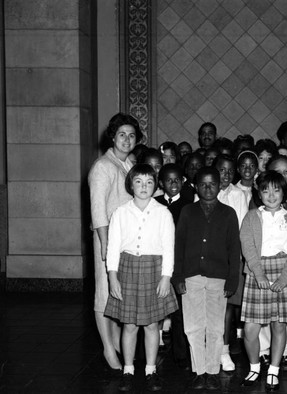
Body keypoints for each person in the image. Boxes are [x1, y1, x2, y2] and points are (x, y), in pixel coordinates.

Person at [104, 163, 178, 392]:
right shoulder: (121, 212)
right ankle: (128, 369)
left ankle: (150, 369)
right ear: (131, 184)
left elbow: (168, 248)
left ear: (155, 185)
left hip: (154, 270)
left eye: (148, 182)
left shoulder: (162, 212)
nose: (144, 186)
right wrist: (112, 277)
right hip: (126, 270)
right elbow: (113, 247)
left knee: (152, 325)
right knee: (129, 324)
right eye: (138, 181)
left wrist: (166, 277)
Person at [172, 166, 240, 391]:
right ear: (195, 186)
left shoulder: (228, 213)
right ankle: (199, 371)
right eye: (203, 184)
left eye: (213, 183)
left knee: (215, 327)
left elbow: (233, 249)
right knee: (193, 326)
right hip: (191, 277)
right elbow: (179, 245)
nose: (208, 188)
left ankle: (212, 371)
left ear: (220, 185)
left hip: (218, 279)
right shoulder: (188, 212)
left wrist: (232, 280)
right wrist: (178, 275)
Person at [240, 171, 287, 391]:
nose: (271, 195)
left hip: (284, 273)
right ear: (259, 193)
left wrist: (284, 278)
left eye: (276, 189)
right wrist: (259, 274)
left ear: (284, 192)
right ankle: (254, 366)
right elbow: (248, 247)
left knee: (279, 325)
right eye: (265, 190)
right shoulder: (251, 217)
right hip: (256, 272)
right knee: (250, 329)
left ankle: (274, 369)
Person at [88, 112, 143, 373]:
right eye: (122, 134)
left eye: (131, 135)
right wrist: (105, 245)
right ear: (112, 136)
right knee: (104, 294)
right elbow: (98, 212)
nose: (126, 139)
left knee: (119, 293)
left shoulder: (129, 164)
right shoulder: (102, 166)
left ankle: (118, 342)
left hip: (127, 240)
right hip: (107, 238)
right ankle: (108, 348)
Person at [213, 155, 249, 372]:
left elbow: (241, 228)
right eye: (221, 170)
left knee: (226, 306)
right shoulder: (206, 189)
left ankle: (224, 351)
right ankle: (210, 348)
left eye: (229, 171)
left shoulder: (238, 194)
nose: (225, 175)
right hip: (208, 258)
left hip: (230, 257)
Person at [155, 163, 191, 369]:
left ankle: (180, 354)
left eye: (178, 179)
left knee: (179, 311)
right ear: (161, 183)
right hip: (157, 264)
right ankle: (147, 354)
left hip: (179, 265)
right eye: (169, 180)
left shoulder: (188, 204)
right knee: (155, 310)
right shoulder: (155, 203)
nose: (174, 183)